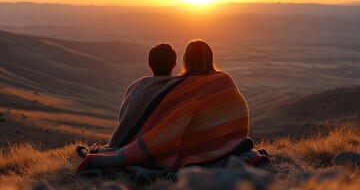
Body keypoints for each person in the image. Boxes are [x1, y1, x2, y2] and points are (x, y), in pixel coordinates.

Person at [77, 39, 267, 172]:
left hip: (185, 146)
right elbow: (237, 110)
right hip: (231, 143)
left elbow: (173, 119)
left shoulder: (181, 85)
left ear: (184, 61)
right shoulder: (224, 79)